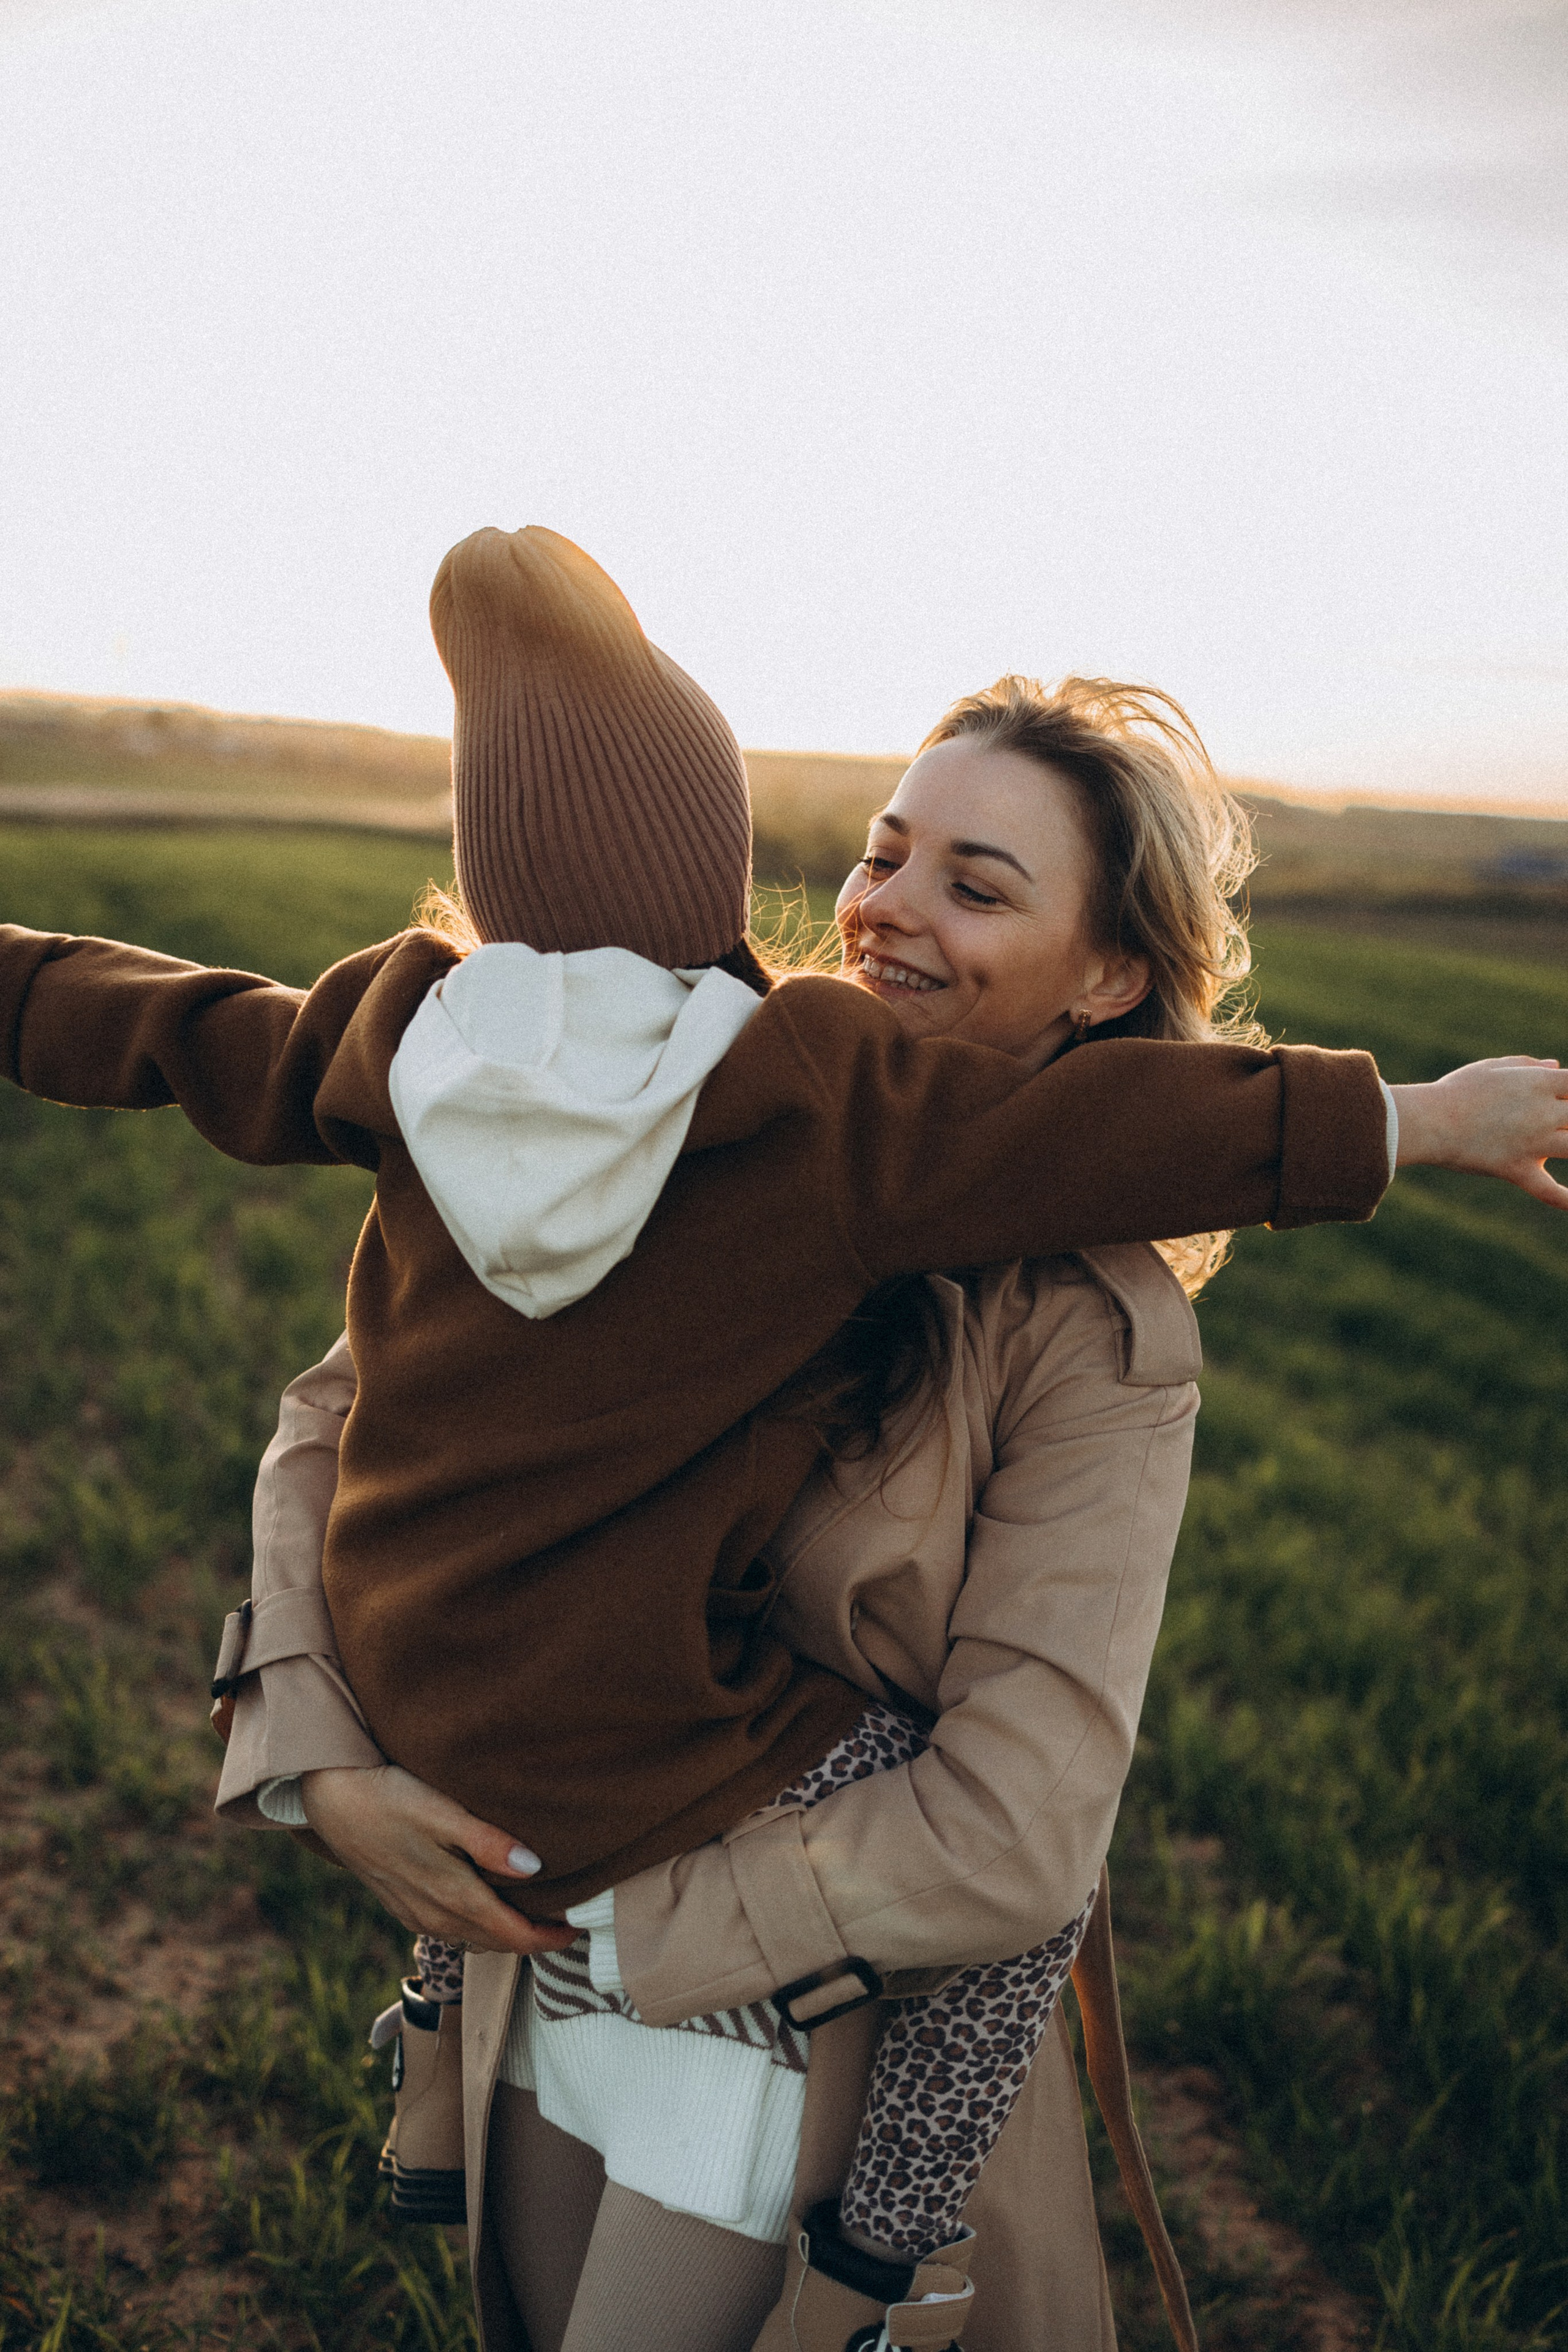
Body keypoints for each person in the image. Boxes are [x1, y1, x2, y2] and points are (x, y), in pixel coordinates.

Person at [4, 530, 1561, 2351]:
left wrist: (618, 1910)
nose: (889, 906)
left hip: (772, 2021)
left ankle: (903, 2242)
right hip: (528, 1956)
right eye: (885, 852)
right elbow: (335, 1417)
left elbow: (1018, 1835)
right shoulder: (687, 1121)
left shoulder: (1076, 1322)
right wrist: (323, 1761)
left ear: (1108, 982)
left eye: (978, 886)